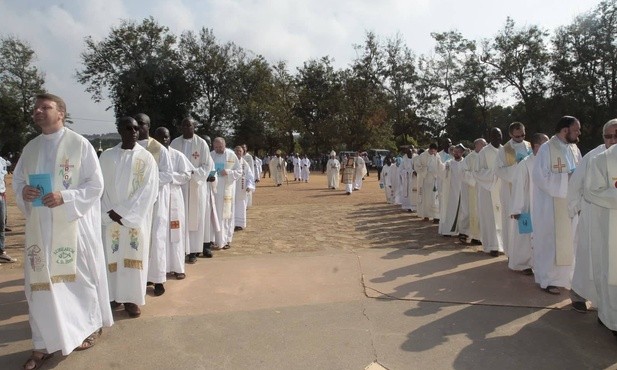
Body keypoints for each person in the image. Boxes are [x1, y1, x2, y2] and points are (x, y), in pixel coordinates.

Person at [14, 93, 113, 367]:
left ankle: (88, 328)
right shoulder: (30, 148)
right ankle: (43, 342)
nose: (38, 111)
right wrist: (24, 190)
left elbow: (95, 185)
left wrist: (65, 197)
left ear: (61, 113)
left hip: (71, 227)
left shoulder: (79, 144)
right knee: (39, 285)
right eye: (36, 108)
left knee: (76, 280)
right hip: (40, 228)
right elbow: (19, 180)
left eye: (45, 107)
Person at [100, 116, 158, 318]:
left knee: (134, 257)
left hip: (134, 219)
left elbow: (148, 190)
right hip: (109, 217)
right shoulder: (106, 156)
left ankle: (131, 299)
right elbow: (100, 187)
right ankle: (114, 296)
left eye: (136, 128)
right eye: (128, 128)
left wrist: (122, 212)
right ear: (119, 130)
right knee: (112, 256)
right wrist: (109, 211)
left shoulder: (146, 158)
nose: (134, 131)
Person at [568, 119, 617, 312]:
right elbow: (575, 184)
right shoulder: (593, 157)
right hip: (593, 218)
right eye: (608, 136)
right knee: (588, 257)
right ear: (603, 137)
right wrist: (576, 207)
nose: (613, 140)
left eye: (616, 135)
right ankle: (579, 293)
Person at [532, 116, 582, 295]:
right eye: (576, 130)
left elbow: (580, 172)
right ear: (565, 130)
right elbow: (539, 177)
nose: (579, 133)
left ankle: (566, 278)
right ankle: (549, 280)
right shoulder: (546, 149)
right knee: (550, 242)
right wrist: (565, 178)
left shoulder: (574, 149)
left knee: (569, 242)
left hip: (569, 205)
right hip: (550, 205)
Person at [134, 113, 173, 297]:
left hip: (155, 201)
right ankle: (141, 277)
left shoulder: (158, 149)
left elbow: (167, 174)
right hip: (134, 204)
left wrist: (147, 185)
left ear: (148, 126)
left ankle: (158, 279)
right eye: (136, 124)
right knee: (139, 239)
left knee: (156, 239)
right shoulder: (128, 147)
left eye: (141, 124)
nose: (137, 127)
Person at [583, 129, 617, 336]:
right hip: (609, 226)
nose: (613, 139)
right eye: (609, 135)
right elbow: (591, 191)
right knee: (611, 272)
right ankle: (611, 318)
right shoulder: (599, 160)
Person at [170, 118, 214, 262]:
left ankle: (194, 251)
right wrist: (181, 175)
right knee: (181, 217)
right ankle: (181, 250)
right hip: (180, 186)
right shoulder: (175, 143)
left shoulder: (201, 144)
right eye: (183, 125)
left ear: (194, 127)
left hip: (195, 186)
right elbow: (170, 163)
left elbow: (206, 165)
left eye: (189, 125)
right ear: (180, 127)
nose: (186, 127)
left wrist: (193, 173)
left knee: (195, 218)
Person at [153, 127, 193, 281]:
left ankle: (178, 267)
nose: (163, 140)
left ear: (170, 138)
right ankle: (159, 270)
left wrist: (170, 177)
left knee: (175, 232)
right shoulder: (150, 155)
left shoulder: (178, 155)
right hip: (158, 197)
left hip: (174, 196)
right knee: (158, 233)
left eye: (166, 137)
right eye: (160, 137)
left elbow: (186, 174)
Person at [510, 133, 549, 275]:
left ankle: (538, 263)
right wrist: (517, 209)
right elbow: (518, 187)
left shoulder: (547, 162)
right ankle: (523, 264)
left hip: (544, 207)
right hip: (527, 207)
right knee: (525, 237)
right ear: (537, 146)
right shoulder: (525, 163)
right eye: (546, 144)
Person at [495, 122, 532, 264]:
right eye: (517, 136)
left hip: (529, 190)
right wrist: (518, 168)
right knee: (512, 223)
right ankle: (513, 253)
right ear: (510, 134)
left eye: (523, 134)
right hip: (511, 192)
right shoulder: (505, 150)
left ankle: (528, 255)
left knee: (527, 220)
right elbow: (498, 170)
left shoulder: (529, 146)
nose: (521, 137)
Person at [474, 128, 505, 257]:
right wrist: (493, 174)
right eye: (494, 135)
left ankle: (503, 245)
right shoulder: (483, 152)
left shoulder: (505, 150)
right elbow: (477, 172)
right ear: (490, 137)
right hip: (488, 190)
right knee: (490, 218)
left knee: (502, 218)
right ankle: (492, 246)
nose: (497, 137)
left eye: (499, 134)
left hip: (503, 190)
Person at [211, 137, 241, 249]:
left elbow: (239, 171)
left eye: (220, 147)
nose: (218, 149)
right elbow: (207, 169)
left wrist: (228, 172)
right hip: (214, 190)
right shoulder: (211, 155)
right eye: (216, 147)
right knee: (215, 216)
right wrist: (212, 174)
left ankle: (226, 240)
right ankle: (214, 240)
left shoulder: (231, 155)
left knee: (226, 215)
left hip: (227, 190)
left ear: (225, 145)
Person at [461, 139, 486, 244]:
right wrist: (475, 177)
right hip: (473, 188)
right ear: (477, 145)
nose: (485, 146)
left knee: (483, 212)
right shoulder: (469, 158)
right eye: (483, 144)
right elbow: (464, 172)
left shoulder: (485, 156)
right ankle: (473, 235)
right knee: (473, 211)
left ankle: (482, 236)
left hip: (484, 188)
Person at [438, 144, 467, 236]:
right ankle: (447, 230)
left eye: (458, 152)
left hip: (463, 191)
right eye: (455, 151)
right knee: (449, 211)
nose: (456, 153)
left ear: (462, 152)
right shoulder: (449, 163)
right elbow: (442, 173)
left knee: (463, 212)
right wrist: (438, 162)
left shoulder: (465, 163)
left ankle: (461, 231)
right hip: (451, 191)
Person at [414, 143, 442, 222]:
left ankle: (435, 216)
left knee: (434, 199)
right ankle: (426, 215)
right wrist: (424, 170)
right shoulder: (423, 156)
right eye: (432, 150)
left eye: (435, 150)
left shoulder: (437, 156)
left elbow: (440, 165)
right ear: (429, 149)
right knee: (426, 198)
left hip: (434, 180)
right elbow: (416, 165)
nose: (433, 152)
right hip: (425, 180)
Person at [234, 145, 255, 231]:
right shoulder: (231, 161)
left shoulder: (245, 164)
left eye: (240, 151)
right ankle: (232, 224)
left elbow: (250, 176)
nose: (238, 153)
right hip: (231, 189)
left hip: (241, 189)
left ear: (243, 153)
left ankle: (239, 224)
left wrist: (249, 186)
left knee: (241, 206)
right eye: (236, 151)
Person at [0, 153, 14, 262]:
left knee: (1, 224)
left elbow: (2, 178)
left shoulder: (2, 161)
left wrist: (3, 191)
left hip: (1, 196)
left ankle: (1, 251)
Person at [399, 147, 415, 212]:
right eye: (408, 153)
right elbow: (400, 170)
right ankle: (408, 207)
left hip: (414, 179)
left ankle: (415, 206)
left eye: (411, 153)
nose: (410, 154)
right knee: (408, 193)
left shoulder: (415, 159)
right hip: (407, 179)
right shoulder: (404, 160)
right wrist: (408, 172)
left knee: (414, 192)